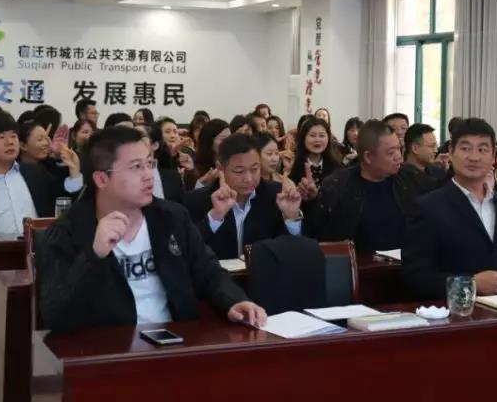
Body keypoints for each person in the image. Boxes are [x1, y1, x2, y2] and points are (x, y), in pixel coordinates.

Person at [35, 127, 265, 332]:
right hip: (105, 352)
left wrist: (234, 300)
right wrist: (93, 256)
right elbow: (55, 315)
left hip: (173, 343)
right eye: (136, 167)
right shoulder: (66, 232)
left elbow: (208, 272)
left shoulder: (171, 218)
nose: (148, 175)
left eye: (149, 164)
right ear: (102, 179)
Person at [402, 118, 497, 300]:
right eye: (465, 148)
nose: (474, 157)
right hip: (457, 312)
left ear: (493, 157)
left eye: (482, 150)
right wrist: (470, 283)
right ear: (451, 152)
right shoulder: (427, 208)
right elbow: (414, 277)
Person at [304, 119, 429, 251]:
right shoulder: (338, 186)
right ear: (368, 157)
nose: (399, 157)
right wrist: (312, 201)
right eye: (391, 153)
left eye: (399, 148)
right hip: (361, 262)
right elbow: (321, 235)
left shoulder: (410, 177)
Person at [195, 134, 303, 259]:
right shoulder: (198, 199)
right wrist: (215, 217)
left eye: (254, 169)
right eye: (239, 171)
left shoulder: (277, 195)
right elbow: (188, 250)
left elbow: (295, 251)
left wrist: (291, 218)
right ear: (220, 168)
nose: (249, 178)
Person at [289, 116, 343, 198]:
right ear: (303, 139)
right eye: (312, 135)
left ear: (328, 138)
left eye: (321, 136)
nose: (317, 140)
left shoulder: (336, 166)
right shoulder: (295, 164)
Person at [182, 119, 230, 191]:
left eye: (230, 138)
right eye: (223, 139)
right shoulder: (192, 165)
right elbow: (188, 194)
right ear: (210, 140)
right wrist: (204, 181)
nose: (228, 142)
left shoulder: (231, 162)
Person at [401, 123, 447, 189]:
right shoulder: (402, 178)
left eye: (436, 146)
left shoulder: (437, 171)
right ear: (415, 148)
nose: (436, 150)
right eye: (431, 146)